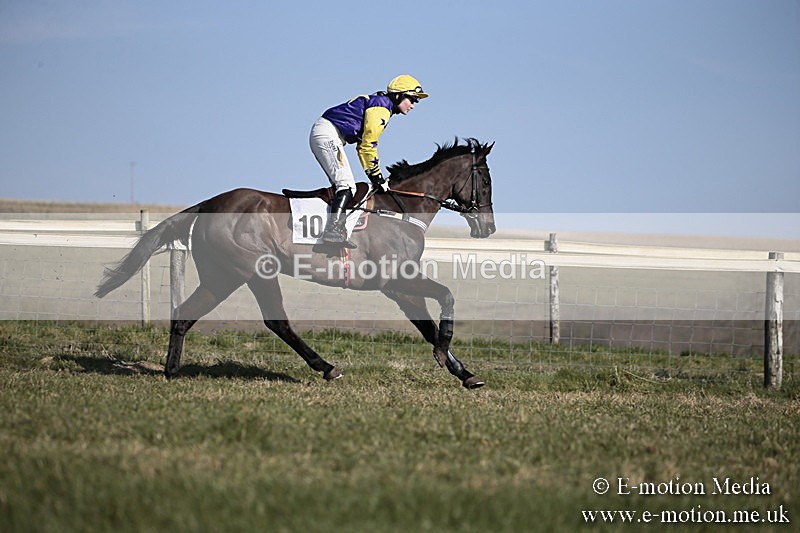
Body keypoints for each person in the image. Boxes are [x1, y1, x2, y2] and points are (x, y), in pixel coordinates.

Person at [309, 74, 429, 247]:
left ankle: (334, 227)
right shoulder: (381, 109)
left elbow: (362, 147)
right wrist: (377, 177)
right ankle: (332, 231)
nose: (413, 105)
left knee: (343, 185)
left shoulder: (381, 105)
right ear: (398, 95)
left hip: (328, 134)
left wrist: (374, 176)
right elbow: (367, 146)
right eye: (412, 99)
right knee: (347, 185)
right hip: (327, 134)